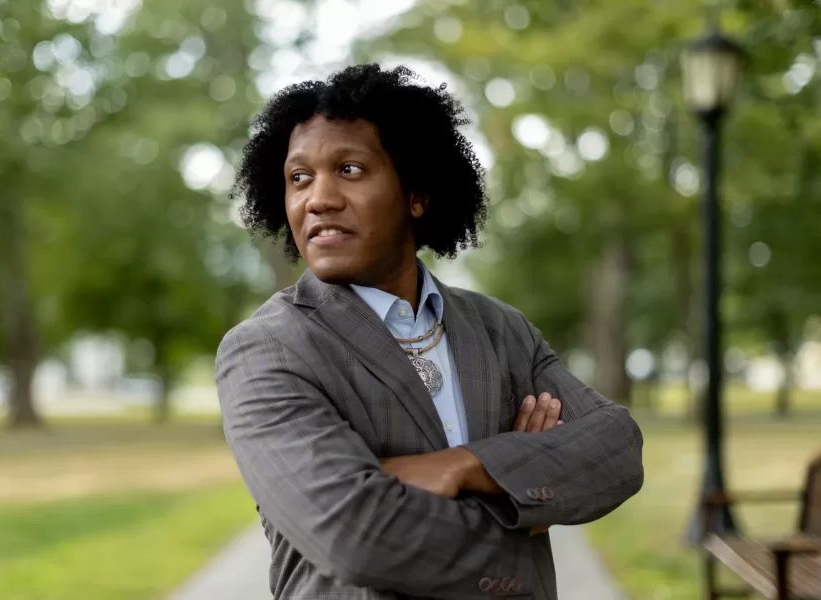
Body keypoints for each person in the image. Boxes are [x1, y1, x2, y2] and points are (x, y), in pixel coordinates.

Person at [216, 64, 644, 600]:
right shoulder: (267, 349)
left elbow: (615, 449)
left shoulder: (501, 330)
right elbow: (358, 534)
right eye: (299, 177)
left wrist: (464, 466)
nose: (317, 198)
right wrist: (523, 504)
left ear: (416, 194)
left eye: (349, 169)